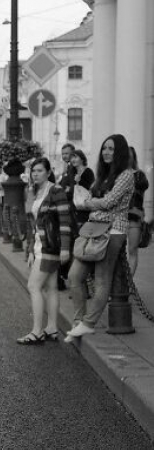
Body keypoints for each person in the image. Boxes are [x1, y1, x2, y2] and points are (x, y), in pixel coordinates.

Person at [66, 134, 135, 341]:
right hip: (94, 228)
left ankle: (88, 324)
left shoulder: (126, 175)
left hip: (113, 230)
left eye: (111, 149)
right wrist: (92, 201)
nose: (106, 152)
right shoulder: (103, 176)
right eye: (104, 148)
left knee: (101, 280)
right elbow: (93, 198)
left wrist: (88, 204)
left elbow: (108, 201)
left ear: (120, 152)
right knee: (74, 276)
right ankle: (78, 322)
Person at [16, 158, 72, 345]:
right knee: (51, 287)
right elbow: (34, 225)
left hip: (50, 246)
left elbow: (65, 221)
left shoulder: (56, 191)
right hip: (40, 246)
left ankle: (37, 331)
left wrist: (65, 249)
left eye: (40, 170)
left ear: (48, 172)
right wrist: (31, 250)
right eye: (33, 171)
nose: (35, 174)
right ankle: (52, 327)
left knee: (33, 286)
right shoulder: (36, 191)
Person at [126, 146, 150, 276]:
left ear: (133, 158)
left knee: (132, 250)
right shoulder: (115, 175)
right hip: (117, 217)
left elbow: (142, 190)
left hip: (134, 216)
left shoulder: (140, 175)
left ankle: (128, 283)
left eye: (129, 155)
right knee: (116, 251)